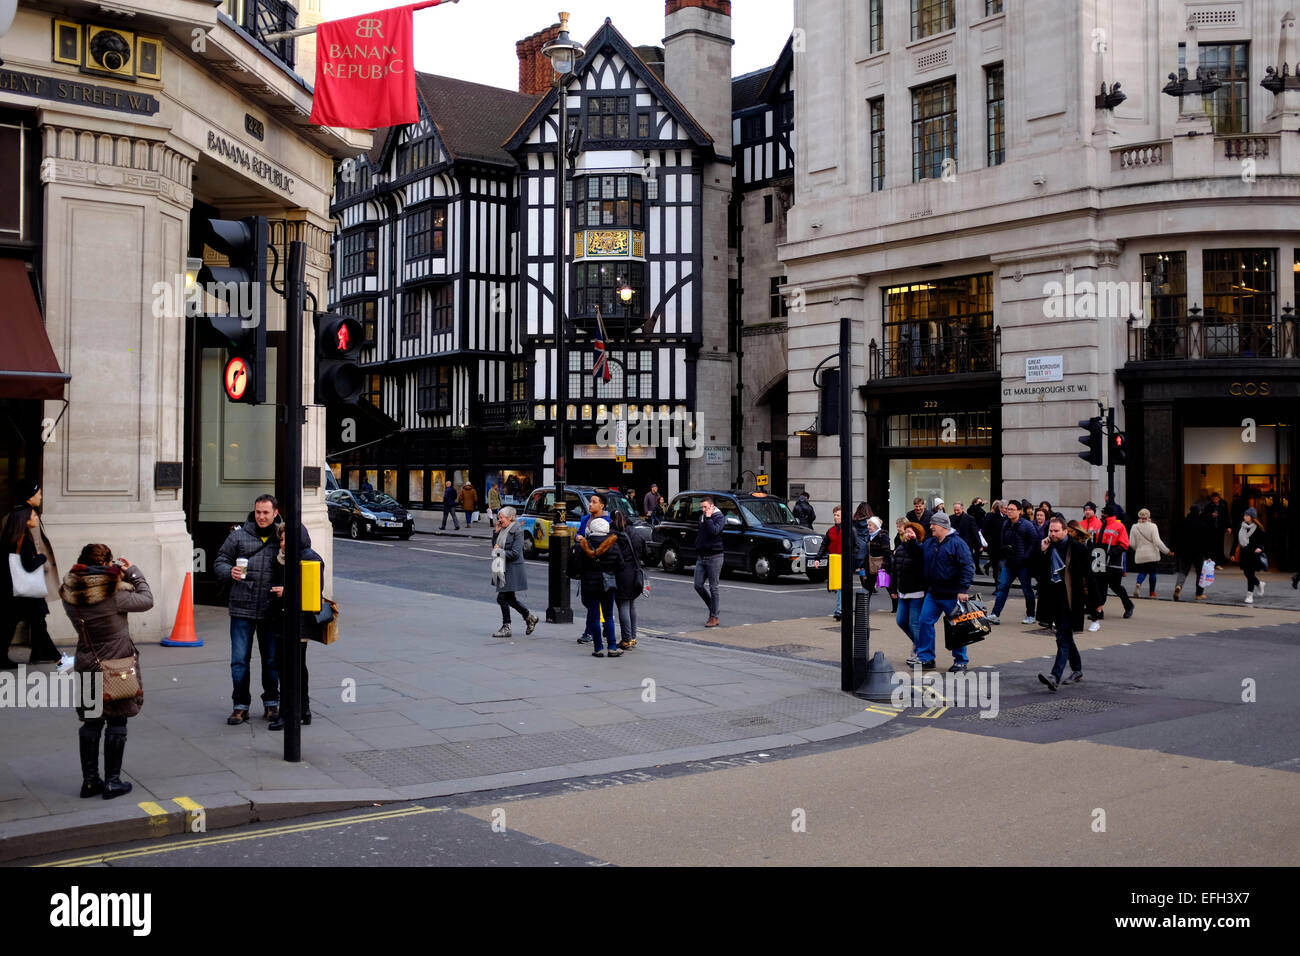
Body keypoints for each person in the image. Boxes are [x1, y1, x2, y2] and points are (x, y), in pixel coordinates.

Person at [60, 543, 153, 799]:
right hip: (117, 665)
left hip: (87, 662)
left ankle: (90, 782)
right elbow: (147, 599)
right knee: (117, 720)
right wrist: (132, 571)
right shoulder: (114, 594)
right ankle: (113, 781)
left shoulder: (69, 592)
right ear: (108, 563)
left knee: (91, 721)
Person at [214, 494, 287, 725]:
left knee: (272, 660)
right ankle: (240, 706)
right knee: (239, 660)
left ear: (275, 513)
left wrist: (287, 588)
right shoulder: (238, 536)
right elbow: (220, 561)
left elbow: (298, 564)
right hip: (241, 607)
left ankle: (271, 704)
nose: (261, 517)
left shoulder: (281, 537)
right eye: (258, 512)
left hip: (271, 609)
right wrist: (229, 571)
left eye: (266, 512)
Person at [1036, 517, 1103, 692]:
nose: (1052, 534)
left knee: (1062, 638)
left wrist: (1097, 602)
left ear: (1065, 531)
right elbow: (1038, 573)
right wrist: (1042, 552)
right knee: (1066, 637)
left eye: (1056, 531)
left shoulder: (1077, 548)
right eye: (1050, 531)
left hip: (1071, 600)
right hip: (1053, 601)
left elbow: (1089, 575)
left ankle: (1054, 676)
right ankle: (1077, 670)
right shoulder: (1048, 547)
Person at [268, 524, 325, 730]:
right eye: (281, 540)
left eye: (286, 540)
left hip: (299, 622)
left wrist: (287, 592)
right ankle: (304, 710)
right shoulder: (282, 559)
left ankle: (288, 712)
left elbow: (313, 593)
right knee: (291, 666)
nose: (282, 544)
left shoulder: (310, 558)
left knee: (291, 667)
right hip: (283, 620)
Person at [910, 512, 975, 673]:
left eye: (933, 524)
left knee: (957, 627)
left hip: (952, 594)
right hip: (933, 593)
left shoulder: (958, 544)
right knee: (925, 622)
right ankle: (926, 658)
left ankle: (961, 660)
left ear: (943, 526)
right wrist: (912, 543)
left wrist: (963, 589)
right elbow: (919, 554)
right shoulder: (931, 542)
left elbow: (967, 566)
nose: (930, 527)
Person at [1, 505, 63, 667]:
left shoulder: (9, 539)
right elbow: (29, 565)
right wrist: (41, 558)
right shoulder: (25, 540)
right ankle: (59, 659)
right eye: (34, 516)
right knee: (38, 625)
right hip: (27, 593)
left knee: (11, 623)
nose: (36, 518)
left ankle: (5, 657)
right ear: (26, 521)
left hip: (14, 590)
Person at [575, 514, 622, 656]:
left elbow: (578, 565)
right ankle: (612, 647)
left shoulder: (585, 544)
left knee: (594, 615)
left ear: (592, 529)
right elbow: (620, 564)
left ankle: (598, 648)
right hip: (607, 584)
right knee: (608, 615)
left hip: (590, 584)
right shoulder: (613, 545)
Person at [987, 500, 1038, 626]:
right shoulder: (1006, 524)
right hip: (1009, 562)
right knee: (1002, 587)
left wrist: (1026, 556)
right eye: (1008, 509)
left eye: (1012, 509)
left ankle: (1031, 615)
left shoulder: (1027, 525)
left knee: (1027, 590)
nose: (1009, 511)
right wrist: (1004, 550)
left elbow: (1034, 542)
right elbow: (1002, 540)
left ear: (1019, 511)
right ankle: (995, 614)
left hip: (1023, 564)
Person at [490, 506, 538, 639]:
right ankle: (529, 617)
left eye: (501, 518)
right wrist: (496, 532)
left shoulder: (517, 530)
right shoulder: (502, 529)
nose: (499, 520)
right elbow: (495, 545)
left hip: (512, 568)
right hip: (501, 567)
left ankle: (507, 626)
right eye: (499, 517)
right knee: (510, 599)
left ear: (510, 517)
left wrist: (500, 552)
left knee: (502, 598)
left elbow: (516, 553)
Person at [610, 511, 643, 650]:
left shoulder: (613, 535)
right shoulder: (633, 532)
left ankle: (626, 640)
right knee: (632, 605)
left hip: (621, 573)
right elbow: (642, 547)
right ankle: (633, 638)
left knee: (623, 605)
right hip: (634, 572)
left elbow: (613, 556)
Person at [892, 521, 926, 650]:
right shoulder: (900, 548)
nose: (907, 535)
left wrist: (913, 543)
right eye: (906, 532)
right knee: (901, 621)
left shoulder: (921, 548)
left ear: (917, 535)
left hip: (916, 593)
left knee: (914, 624)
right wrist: (893, 588)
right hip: (902, 592)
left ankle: (921, 651)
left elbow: (919, 558)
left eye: (911, 532)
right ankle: (919, 645)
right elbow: (895, 570)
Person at [1099, 504, 1135, 618]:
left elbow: (1125, 544)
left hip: (1114, 561)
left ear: (1107, 514)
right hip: (1101, 560)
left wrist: (1112, 552)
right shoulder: (1102, 525)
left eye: (1103, 513)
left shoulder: (1119, 526)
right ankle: (1099, 611)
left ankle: (1129, 606)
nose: (1101, 515)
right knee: (1101, 586)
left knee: (1115, 586)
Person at [693, 497, 725, 627]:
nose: (703, 509)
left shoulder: (719, 517)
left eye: (705, 507)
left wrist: (709, 517)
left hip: (715, 557)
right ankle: (713, 608)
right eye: (702, 507)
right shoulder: (702, 517)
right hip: (702, 557)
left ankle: (714, 616)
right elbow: (702, 534)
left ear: (712, 507)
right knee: (698, 585)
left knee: (713, 587)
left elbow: (714, 531)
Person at [1130, 509, 1172, 598]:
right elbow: (1157, 542)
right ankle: (1152, 592)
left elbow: (1132, 543)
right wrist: (1167, 551)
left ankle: (1138, 583)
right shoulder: (1153, 526)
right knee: (1152, 573)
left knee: (1142, 572)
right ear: (1148, 516)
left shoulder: (1134, 527)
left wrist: (1137, 549)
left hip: (1140, 555)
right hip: (1152, 555)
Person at [1172, 505, 1209, 601]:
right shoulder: (1202, 524)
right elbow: (1205, 541)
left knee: (1183, 571)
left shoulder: (1182, 522)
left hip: (1184, 552)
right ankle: (1199, 594)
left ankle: (1179, 586)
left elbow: (1176, 537)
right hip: (1198, 553)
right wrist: (1208, 555)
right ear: (1198, 512)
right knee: (1200, 573)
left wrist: (1174, 549)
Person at [1238, 508, 1267, 604]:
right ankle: (1259, 583)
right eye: (1244, 515)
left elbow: (1263, 541)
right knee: (1247, 574)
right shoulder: (1242, 526)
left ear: (1252, 517)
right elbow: (1237, 540)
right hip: (1244, 554)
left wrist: (1260, 548)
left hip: (1253, 554)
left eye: (1246, 515)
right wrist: (1231, 553)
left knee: (1250, 574)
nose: (1244, 517)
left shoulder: (1258, 528)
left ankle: (1249, 595)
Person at [1203, 492, 1229, 566]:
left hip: (1220, 529)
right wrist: (1211, 515)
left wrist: (1228, 527)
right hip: (1211, 529)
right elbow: (1204, 516)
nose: (1215, 500)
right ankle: (1212, 561)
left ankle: (1219, 561)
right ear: (1212, 499)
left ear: (1219, 499)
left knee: (1220, 545)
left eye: (1217, 499)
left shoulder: (1222, 506)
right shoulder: (1208, 506)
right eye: (1214, 499)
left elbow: (1226, 517)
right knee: (1211, 545)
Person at [980, 500, 1005, 579]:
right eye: (1006, 508)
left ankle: (1001, 588)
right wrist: (990, 542)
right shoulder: (990, 516)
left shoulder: (1008, 518)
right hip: (994, 547)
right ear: (1000, 508)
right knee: (997, 568)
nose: (1008, 510)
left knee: (1002, 568)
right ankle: (999, 588)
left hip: (1005, 549)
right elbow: (984, 531)